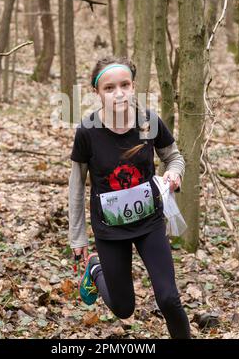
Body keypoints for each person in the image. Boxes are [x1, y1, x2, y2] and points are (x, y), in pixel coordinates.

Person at [68, 56, 191, 339]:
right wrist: (78, 238)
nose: (119, 93)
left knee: (169, 298)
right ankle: (97, 269)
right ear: (96, 92)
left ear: (134, 86)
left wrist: (174, 174)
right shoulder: (87, 132)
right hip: (109, 230)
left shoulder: (148, 121)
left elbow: (173, 156)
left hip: (149, 222)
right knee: (124, 308)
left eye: (125, 85)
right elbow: (75, 187)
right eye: (109, 88)